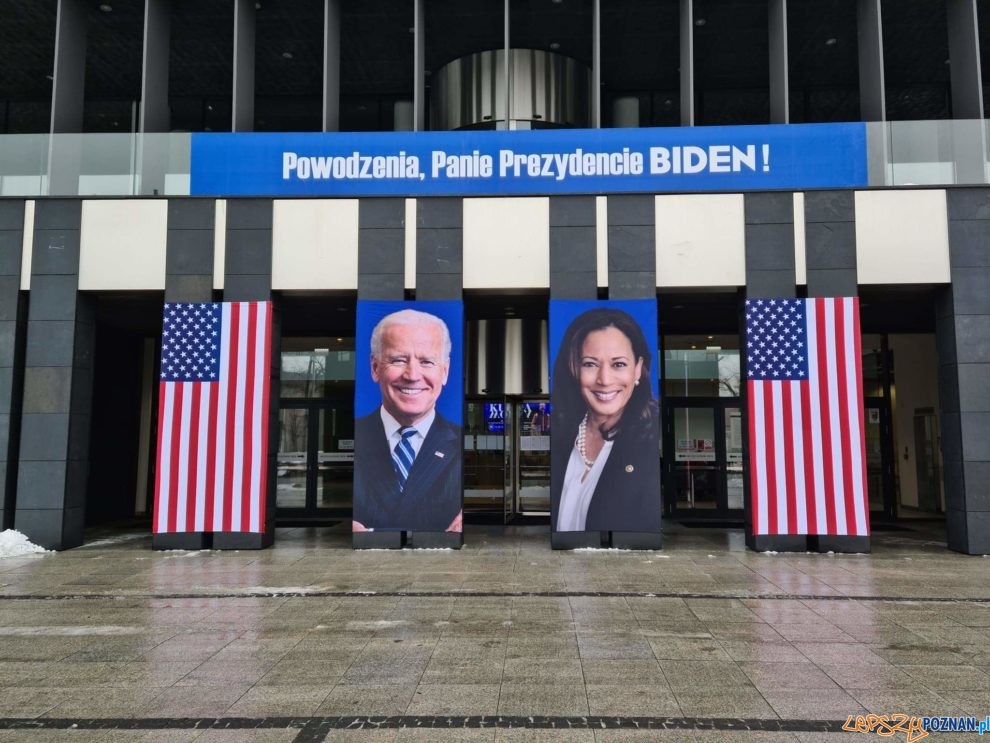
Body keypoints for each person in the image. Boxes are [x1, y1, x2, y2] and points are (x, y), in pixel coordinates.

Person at [551, 307, 660, 532]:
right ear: (574, 368)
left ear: (638, 369)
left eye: (618, 364)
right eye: (590, 364)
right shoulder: (562, 436)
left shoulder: (650, 444)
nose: (604, 379)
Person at [353, 309, 462, 532]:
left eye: (427, 362)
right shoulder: (355, 436)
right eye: (398, 360)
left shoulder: (461, 444)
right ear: (375, 368)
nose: (412, 375)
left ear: (445, 371)